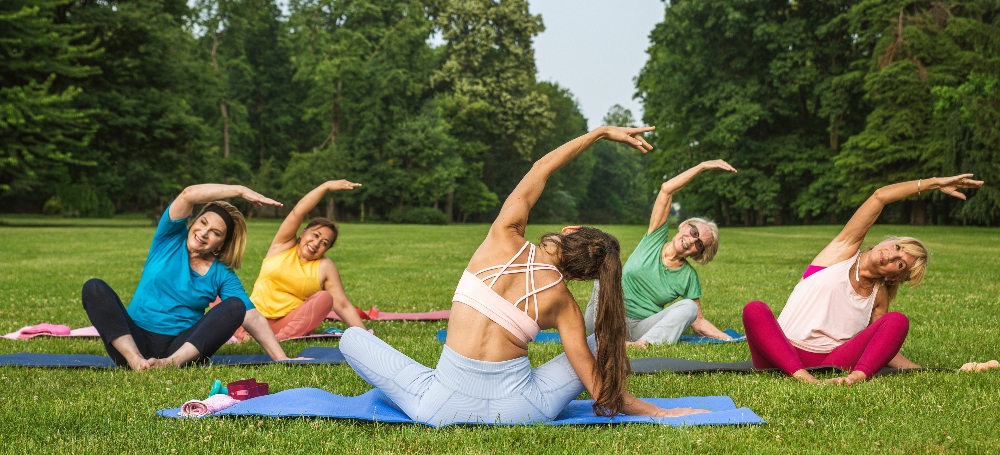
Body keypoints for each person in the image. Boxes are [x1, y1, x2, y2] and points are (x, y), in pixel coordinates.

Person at [340, 126, 707, 425]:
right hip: (521, 411)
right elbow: (598, 388)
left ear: (569, 230)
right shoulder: (564, 305)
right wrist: (659, 412)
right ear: (582, 278)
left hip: (439, 406)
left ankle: (434, 381)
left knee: (353, 338)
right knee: (593, 345)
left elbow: (540, 169)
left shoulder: (503, 235)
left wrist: (600, 133)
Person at [742, 175, 984, 385]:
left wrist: (922, 370)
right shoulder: (840, 253)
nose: (891, 254)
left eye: (899, 262)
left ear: (894, 276)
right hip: (782, 355)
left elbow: (882, 345)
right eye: (897, 246)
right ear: (887, 241)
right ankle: (806, 379)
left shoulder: (879, 296)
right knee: (754, 309)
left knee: (897, 321)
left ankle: (855, 377)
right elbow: (879, 197)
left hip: (832, 362)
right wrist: (933, 183)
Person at [81, 184, 300, 370]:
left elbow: (251, 317)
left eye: (215, 232)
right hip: (135, 339)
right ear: (193, 222)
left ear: (221, 243)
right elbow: (188, 195)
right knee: (94, 288)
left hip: (182, 349)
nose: (204, 233)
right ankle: (135, 361)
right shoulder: (169, 238)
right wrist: (239, 190)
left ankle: (169, 364)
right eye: (203, 223)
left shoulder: (221, 273)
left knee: (235, 306)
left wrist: (282, 358)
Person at [584, 160, 737, 348]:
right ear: (684, 225)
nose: (692, 240)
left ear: (699, 253)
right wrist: (702, 166)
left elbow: (697, 320)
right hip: (606, 317)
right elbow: (666, 189)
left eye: (699, 244)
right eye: (694, 232)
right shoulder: (654, 237)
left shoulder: (688, 276)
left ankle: (640, 344)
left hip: (641, 328)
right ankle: (609, 341)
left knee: (689, 307)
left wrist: (728, 338)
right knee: (605, 267)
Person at [231, 179, 366, 342]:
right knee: (220, 277)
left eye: (324, 243)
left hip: (284, 326)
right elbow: (298, 212)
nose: (316, 244)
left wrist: (366, 337)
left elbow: (342, 305)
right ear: (302, 233)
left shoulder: (324, 266)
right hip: (252, 320)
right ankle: (244, 334)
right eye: (315, 235)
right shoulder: (282, 246)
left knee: (325, 298)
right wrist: (325, 187)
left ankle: (275, 340)